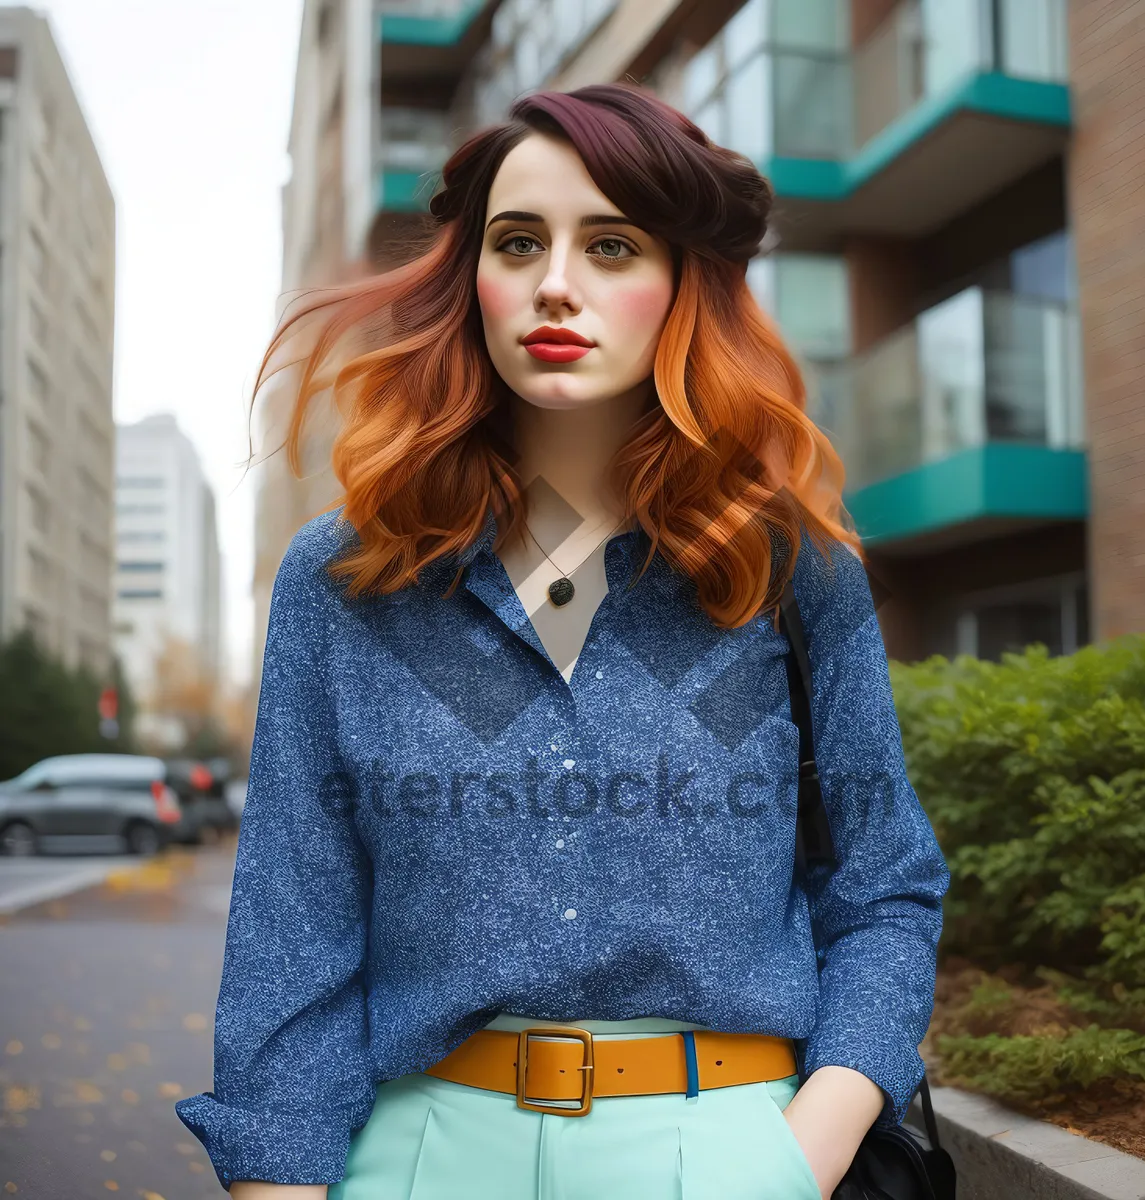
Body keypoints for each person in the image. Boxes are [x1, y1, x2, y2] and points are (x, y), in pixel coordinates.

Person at [176, 82, 951, 1200]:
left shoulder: (787, 568)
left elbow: (885, 887)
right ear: (472, 282)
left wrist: (804, 1150)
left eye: (613, 245)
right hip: (420, 1158)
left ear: (683, 283)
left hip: (730, 1149)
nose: (555, 283)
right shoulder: (348, 577)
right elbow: (293, 929)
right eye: (519, 240)